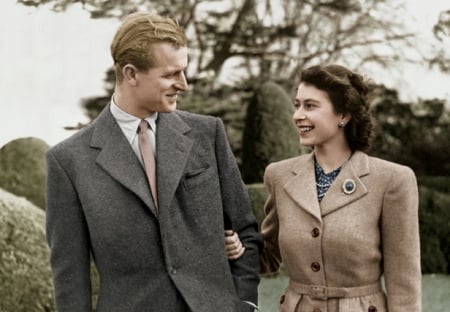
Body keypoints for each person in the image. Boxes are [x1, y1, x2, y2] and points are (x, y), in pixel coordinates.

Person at [45, 12, 261, 312]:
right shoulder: (69, 161)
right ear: (132, 74)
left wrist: (246, 302)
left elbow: (246, 231)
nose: (183, 84)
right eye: (171, 74)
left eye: (183, 71)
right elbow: (70, 277)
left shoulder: (207, 134)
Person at [226, 64, 421, 311]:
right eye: (297, 105)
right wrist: (238, 249)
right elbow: (269, 255)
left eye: (310, 106)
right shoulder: (279, 175)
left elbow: (404, 282)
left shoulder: (393, 180)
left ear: (344, 115)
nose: (297, 115)